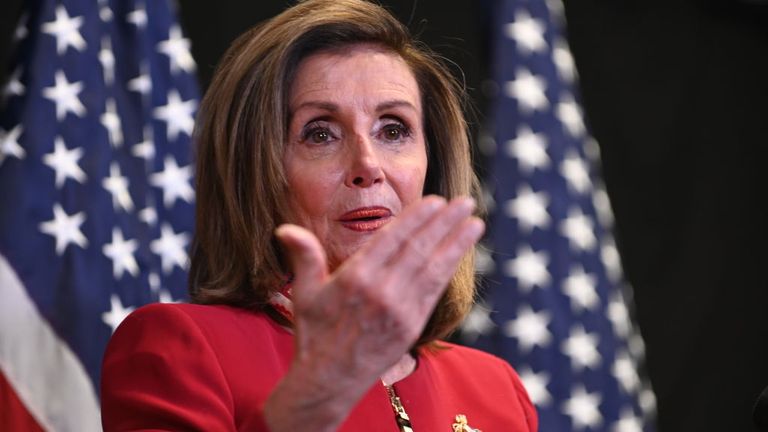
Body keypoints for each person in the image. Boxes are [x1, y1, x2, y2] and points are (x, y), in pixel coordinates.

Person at [100, 0, 538, 430]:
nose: (368, 166)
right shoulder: (180, 348)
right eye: (320, 133)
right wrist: (315, 401)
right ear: (257, 171)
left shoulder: (495, 387)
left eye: (393, 129)